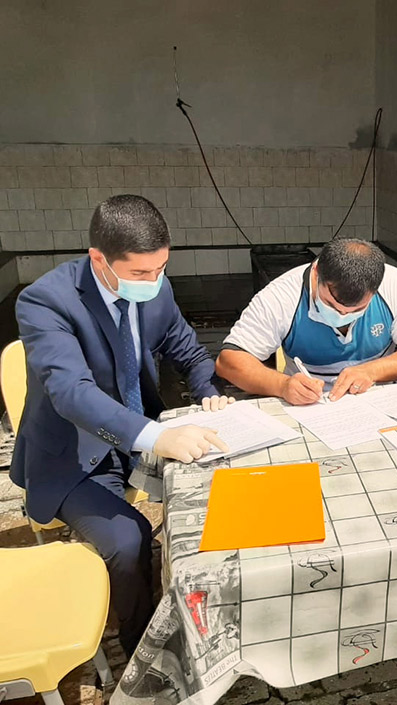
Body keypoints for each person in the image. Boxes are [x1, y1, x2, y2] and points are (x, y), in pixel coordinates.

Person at [11, 195, 234, 657]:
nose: (153, 281)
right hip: (73, 455)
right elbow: (71, 393)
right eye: (140, 273)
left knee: (213, 494)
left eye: (161, 268)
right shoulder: (45, 301)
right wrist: (158, 436)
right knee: (130, 538)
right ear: (99, 259)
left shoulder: (156, 289)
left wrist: (209, 393)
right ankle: (143, 648)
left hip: (135, 435)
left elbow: (187, 349)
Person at [216, 238, 397, 403]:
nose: (343, 316)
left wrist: (372, 371)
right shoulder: (281, 296)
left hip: (377, 398)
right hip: (308, 404)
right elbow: (229, 361)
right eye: (331, 305)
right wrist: (282, 386)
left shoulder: (395, 285)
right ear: (316, 271)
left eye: (358, 310)